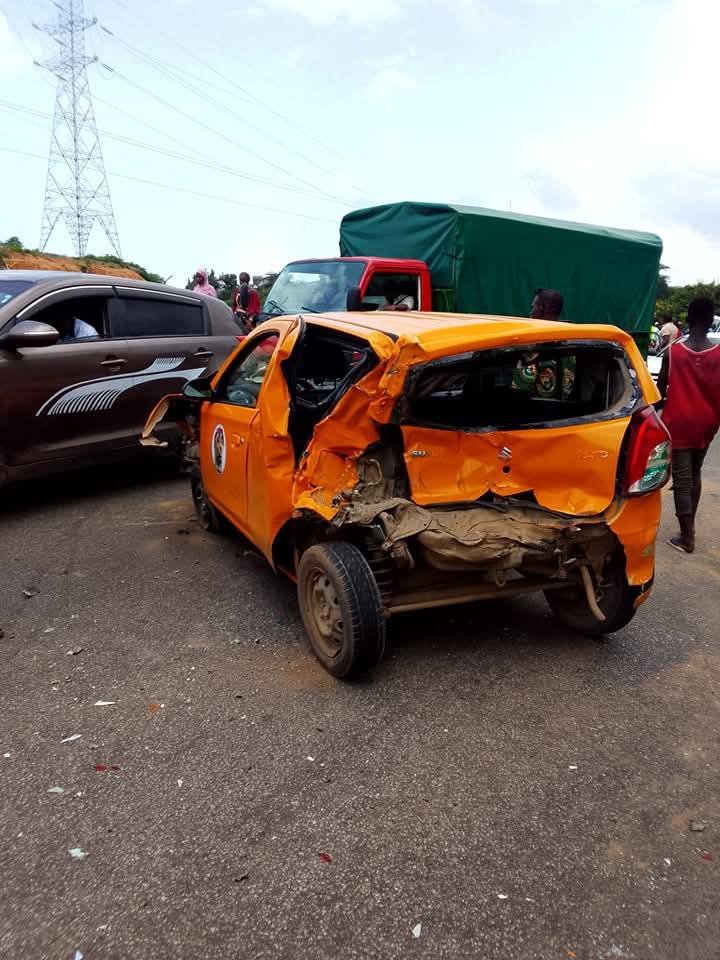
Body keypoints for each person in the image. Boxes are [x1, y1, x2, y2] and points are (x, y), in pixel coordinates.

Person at [658, 296, 720, 553]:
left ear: (689, 318)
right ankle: (688, 526)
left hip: (679, 421)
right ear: (710, 320)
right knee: (694, 473)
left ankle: (687, 536)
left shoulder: (673, 352)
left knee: (682, 478)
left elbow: (660, 390)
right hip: (707, 423)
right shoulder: (719, 354)